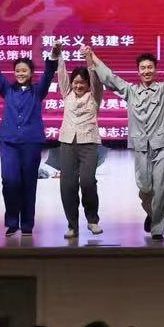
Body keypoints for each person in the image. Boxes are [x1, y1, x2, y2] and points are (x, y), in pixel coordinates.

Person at [88, 32, 164, 242]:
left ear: (155, 70)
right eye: (143, 68)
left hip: (162, 144)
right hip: (140, 145)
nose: (146, 71)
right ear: (138, 71)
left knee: (161, 188)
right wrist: (92, 56)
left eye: (150, 67)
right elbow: (110, 78)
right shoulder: (130, 91)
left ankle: (157, 229)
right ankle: (151, 212)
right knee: (145, 187)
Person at [0, 33, 61, 236]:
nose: (20, 73)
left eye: (24, 70)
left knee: (28, 183)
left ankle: (27, 224)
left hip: (31, 143)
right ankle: (12, 221)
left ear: (31, 72)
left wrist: (54, 53)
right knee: (9, 181)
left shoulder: (37, 91)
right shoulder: (7, 89)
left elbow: (48, 73)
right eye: (17, 70)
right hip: (9, 142)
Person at [54, 62, 103, 240]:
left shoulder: (94, 96)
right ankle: (72, 225)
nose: (78, 85)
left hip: (89, 143)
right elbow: (61, 74)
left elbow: (96, 81)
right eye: (75, 82)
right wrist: (58, 54)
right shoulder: (67, 94)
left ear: (88, 84)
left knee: (88, 182)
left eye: (82, 82)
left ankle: (92, 220)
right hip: (67, 143)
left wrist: (90, 61)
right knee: (67, 186)